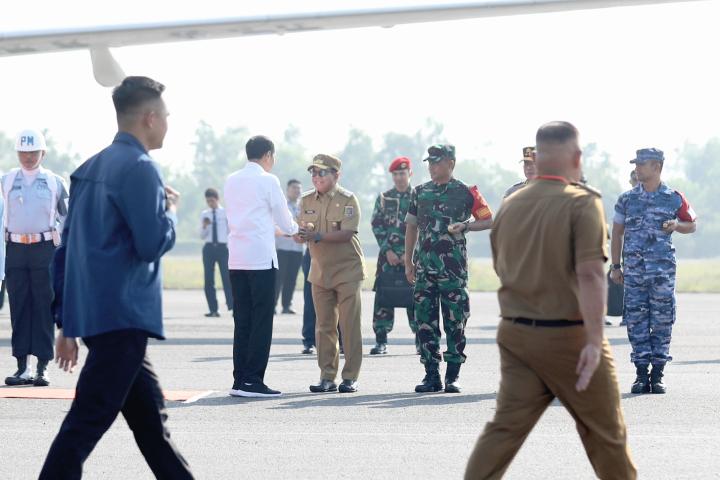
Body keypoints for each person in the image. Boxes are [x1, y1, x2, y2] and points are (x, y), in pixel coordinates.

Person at [40, 76, 194, 479]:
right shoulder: (141, 169)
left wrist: (65, 323)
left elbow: (65, 252)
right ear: (149, 118)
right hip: (123, 318)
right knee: (82, 426)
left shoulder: (89, 168)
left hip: (99, 318)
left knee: (151, 428)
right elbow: (150, 244)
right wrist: (170, 213)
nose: (167, 123)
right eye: (166, 116)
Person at [465, 121, 636, 479]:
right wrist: (592, 340)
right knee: (606, 437)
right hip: (569, 338)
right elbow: (590, 275)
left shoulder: (510, 205)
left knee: (503, 432)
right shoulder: (583, 203)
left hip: (516, 335)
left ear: (537, 159)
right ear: (576, 158)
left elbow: (503, 266)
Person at [404, 144, 493, 394]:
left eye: (437, 162)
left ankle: (453, 376)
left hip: (453, 270)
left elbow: (489, 220)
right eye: (429, 163)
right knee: (425, 322)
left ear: (451, 163)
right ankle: (431, 374)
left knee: (456, 321)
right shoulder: (420, 193)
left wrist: (466, 226)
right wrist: (408, 261)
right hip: (424, 269)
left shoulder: (466, 192)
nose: (432, 167)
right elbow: (411, 227)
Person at [610, 148, 697, 394]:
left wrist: (677, 225)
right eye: (636, 164)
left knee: (662, 320)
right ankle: (640, 374)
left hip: (662, 273)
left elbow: (692, 224)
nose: (637, 168)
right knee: (636, 321)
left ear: (657, 166)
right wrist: (616, 266)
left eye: (641, 164)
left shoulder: (674, 197)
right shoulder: (626, 199)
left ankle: (657, 374)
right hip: (634, 273)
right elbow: (616, 233)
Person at [224, 135, 298, 398]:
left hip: (236, 258)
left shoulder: (231, 180)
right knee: (262, 320)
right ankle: (254, 380)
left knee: (242, 319)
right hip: (260, 259)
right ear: (268, 155)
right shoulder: (269, 180)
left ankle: (240, 378)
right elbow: (284, 218)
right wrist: (296, 230)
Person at [3, 129, 68, 387]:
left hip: (44, 249)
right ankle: (22, 367)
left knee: (43, 308)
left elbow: (68, 217)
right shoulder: (6, 180)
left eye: (33, 152)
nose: (28, 157)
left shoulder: (54, 182)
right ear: (17, 152)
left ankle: (42, 367)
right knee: (19, 308)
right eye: (23, 152)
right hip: (15, 249)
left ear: (43, 153)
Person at [296, 154, 364, 393]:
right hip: (320, 271)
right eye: (313, 173)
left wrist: (317, 236)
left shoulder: (348, 199)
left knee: (349, 325)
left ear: (336, 175)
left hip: (347, 270)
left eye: (321, 172)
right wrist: (299, 234)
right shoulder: (306, 201)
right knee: (324, 326)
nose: (316, 177)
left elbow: (347, 233)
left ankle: (350, 376)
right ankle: (327, 376)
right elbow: (301, 230)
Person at [369, 156, 417, 355]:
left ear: (410, 174)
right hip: (387, 258)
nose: (399, 178)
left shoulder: (419, 196)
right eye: (395, 174)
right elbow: (377, 224)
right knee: (383, 298)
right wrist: (387, 249)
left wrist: (408, 255)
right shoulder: (384, 198)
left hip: (413, 258)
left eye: (402, 173)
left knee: (417, 298)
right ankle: (381, 341)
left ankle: (422, 341)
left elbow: (422, 226)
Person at [200, 187, 232, 317]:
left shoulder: (225, 213)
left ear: (217, 199)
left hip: (222, 248)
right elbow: (202, 236)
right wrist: (205, 226)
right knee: (209, 279)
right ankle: (213, 309)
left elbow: (231, 230)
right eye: (208, 201)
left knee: (227, 278)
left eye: (212, 201)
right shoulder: (204, 214)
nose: (210, 204)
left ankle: (233, 307)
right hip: (208, 248)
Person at [274, 179, 304, 315]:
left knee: (291, 278)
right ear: (287, 190)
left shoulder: (303, 207)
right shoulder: (282, 206)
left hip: (297, 249)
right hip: (282, 248)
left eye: (299, 188)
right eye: (294, 188)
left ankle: (287, 305)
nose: (297, 191)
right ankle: (272, 305)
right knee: (278, 278)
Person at [300, 248, 316, 354]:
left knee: (338, 300)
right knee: (310, 301)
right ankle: (309, 340)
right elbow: (298, 237)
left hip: (336, 255)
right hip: (313, 256)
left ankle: (341, 341)